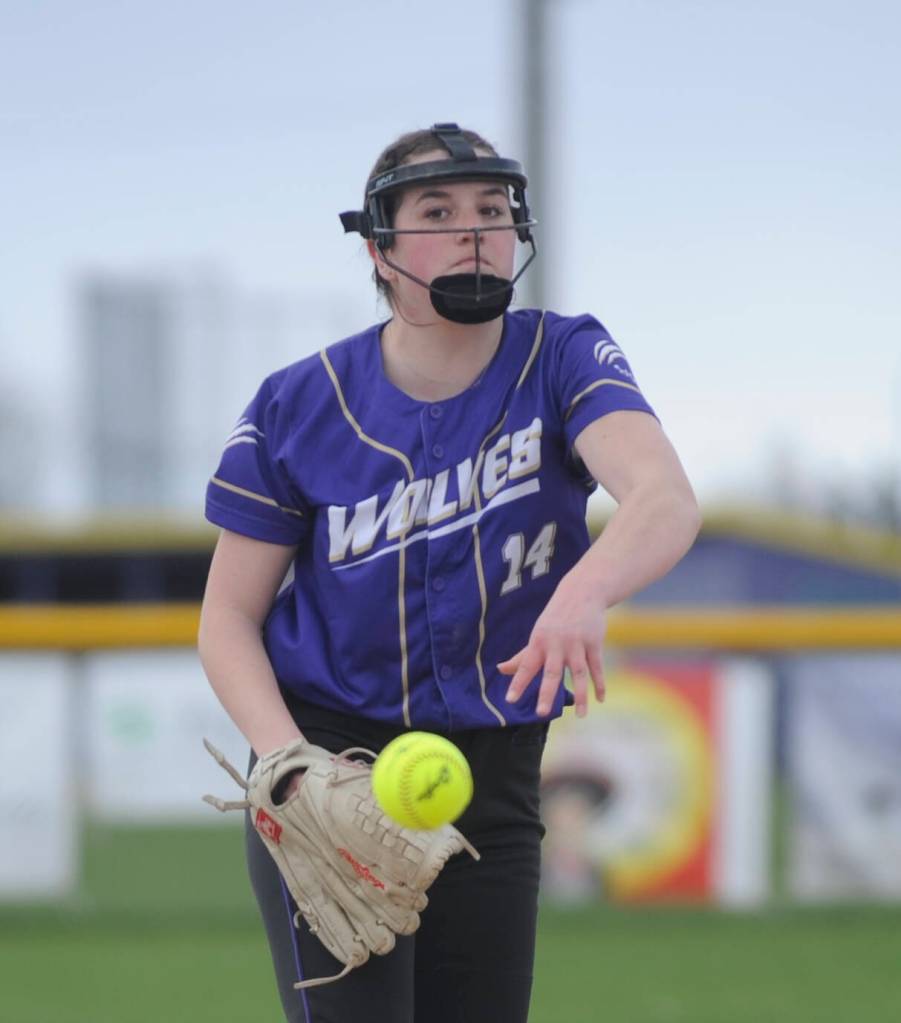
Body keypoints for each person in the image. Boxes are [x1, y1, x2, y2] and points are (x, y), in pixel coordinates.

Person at [198, 122, 701, 1023]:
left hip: (493, 780)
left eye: (491, 209)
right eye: (437, 211)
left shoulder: (560, 356)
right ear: (379, 248)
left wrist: (583, 591)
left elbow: (663, 498)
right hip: (330, 768)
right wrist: (289, 767)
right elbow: (227, 619)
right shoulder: (298, 401)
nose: (473, 230)